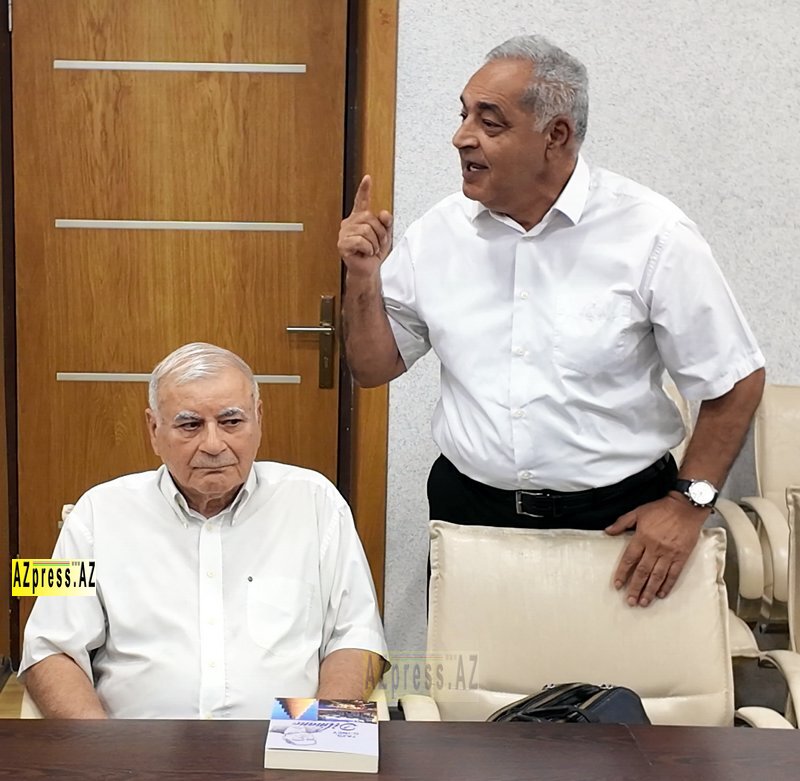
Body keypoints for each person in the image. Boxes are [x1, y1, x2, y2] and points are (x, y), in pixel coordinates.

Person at [337, 34, 765, 609]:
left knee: (607, 672)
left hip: (618, 524)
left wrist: (691, 504)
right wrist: (363, 279)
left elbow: (736, 379)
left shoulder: (651, 234)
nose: (462, 136)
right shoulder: (440, 232)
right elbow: (371, 367)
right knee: (476, 668)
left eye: (489, 121)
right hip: (471, 515)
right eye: (463, 115)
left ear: (555, 135)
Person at [20, 342, 388, 718]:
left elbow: (357, 637)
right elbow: (48, 649)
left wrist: (319, 736)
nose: (213, 445)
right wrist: (103, 749)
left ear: (259, 418)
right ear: (153, 429)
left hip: (285, 741)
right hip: (136, 744)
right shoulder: (94, 513)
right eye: (190, 425)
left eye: (231, 422)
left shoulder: (317, 502)